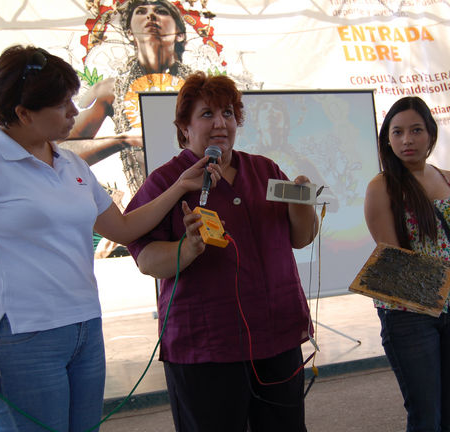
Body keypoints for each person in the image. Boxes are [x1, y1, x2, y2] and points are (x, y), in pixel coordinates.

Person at [0, 45, 219, 432]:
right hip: (21, 337)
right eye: (63, 104)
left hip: (84, 330)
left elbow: (123, 228)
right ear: (23, 113)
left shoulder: (71, 163)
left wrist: (180, 186)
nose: (74, 113)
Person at [125, 71, 318, 431]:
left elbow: (301, 237)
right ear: (184, 127)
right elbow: (146, 258)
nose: (220, 123)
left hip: (276, 338)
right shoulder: (168, 181)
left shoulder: (264, 170)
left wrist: (303, 202)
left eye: (228, 113)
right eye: (206, 114)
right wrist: (188, 249)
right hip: (206, 346)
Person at [363, 96, 450, 432]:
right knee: (425, 416)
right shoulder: (381, 187)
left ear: (430, 133)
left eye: (416, 130)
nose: (407, 140)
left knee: (448, 415)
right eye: (397, 132)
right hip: (408, 315)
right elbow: (396, 262)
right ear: (387, 138)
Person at [66, 0, 192, 193]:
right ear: (129, 33)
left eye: (160, 11)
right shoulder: (110, 89)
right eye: (141, 11)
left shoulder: (202, 87)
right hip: (144, 204)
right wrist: (121, 140)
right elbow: (62, 151)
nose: (151, 16)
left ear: (180, 33)